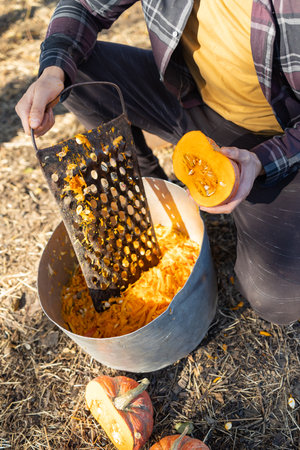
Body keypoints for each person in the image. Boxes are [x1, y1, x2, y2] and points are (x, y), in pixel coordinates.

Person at [16, 0, 300, 325]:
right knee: (73, 71)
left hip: (276, 136)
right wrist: (53, 71)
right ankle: (149, 189)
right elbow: (85, 6)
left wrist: (261, 161)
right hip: (189, 96)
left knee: (276, 300)